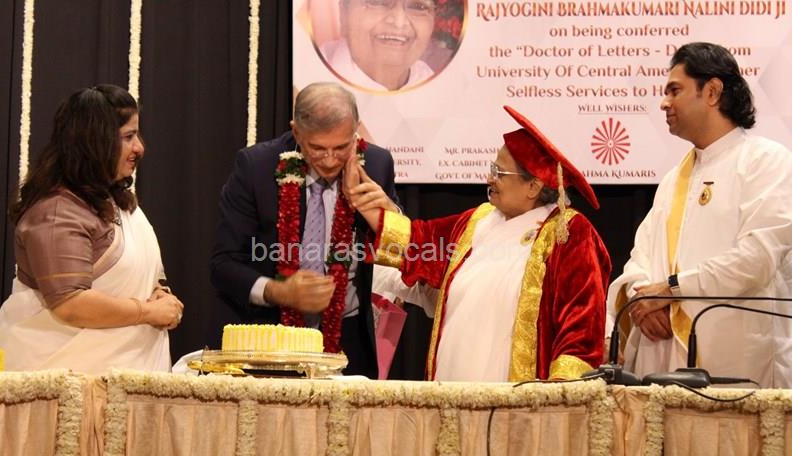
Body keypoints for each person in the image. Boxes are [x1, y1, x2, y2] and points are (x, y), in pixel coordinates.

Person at [344, 105, 611, 382]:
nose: (489, 178)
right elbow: (419, 242)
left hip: (520, 397)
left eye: (500, 173)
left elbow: (580, 326)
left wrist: (561, 393)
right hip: (453, 386)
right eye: (492, 168)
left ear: (533, 186)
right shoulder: (479, 219)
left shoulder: (569, 233)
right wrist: (364, 201)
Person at [607, 42, 792, 388]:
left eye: (674, 90)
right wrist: (641, 300)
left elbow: (757, 259)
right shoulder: (673, 179)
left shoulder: (765, 160)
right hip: (660, 361)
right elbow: (640, 258)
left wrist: (672, 291)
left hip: (734, 363)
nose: (664, 103)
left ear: (712, 91)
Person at [210, 82, 399, 377]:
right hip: (271, 338)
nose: (330, 160)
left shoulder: (376, 164)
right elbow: (223, 264)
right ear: (297, 132)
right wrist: (278, 291)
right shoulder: (256, 167)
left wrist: (387, 214)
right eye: (318, 148)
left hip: (350, 339)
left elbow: (403, 255)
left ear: (355, 132)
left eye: (341, 147)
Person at [0, 84, 183, 374]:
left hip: (121, 382)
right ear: (95, 142)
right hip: (59, 383)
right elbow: (70, 303)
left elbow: (139, 275)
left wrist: (159, 293)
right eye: (128, 137)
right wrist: (147, 312)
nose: (140, 148)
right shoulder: (56, 212)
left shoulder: (118, 202)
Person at [320, 0, 436, 91]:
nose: (399, 23)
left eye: (418, 6)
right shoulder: (314, 75)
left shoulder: (428, 79)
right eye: (377, 2)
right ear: (344, 14)